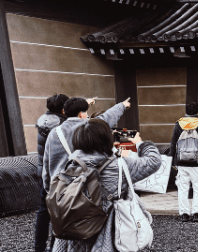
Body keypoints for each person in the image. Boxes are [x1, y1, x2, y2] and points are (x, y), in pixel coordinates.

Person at [50, 118, 161, 252]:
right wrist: (140, 143)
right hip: (106, 233)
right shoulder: (119, 166)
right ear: (107, 139)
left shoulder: (71, 165)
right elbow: (153, 161)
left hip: (74, 230)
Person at [43, 97, 129, 195]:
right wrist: (122, 106)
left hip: (61, 190)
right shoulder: (90, 127)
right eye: (86, 113)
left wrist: (49, 188)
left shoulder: (54, 133)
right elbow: (107, 117)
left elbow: (47, 164)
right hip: (87, 188)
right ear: (81, 114)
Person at [170, 102, 198, 222]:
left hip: (181, 162)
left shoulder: (178, 125)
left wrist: (172, 160)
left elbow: (173, 143)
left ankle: (184, 213)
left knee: (183, 188)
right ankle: (197, 213)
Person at [33, 93, 69, 252]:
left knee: (43, 212)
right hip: (57, 175)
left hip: (43, 173)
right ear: (63, 110)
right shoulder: (61, 126)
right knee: (58, 212)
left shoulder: (43, 121)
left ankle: (39, 248)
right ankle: (55, 247)